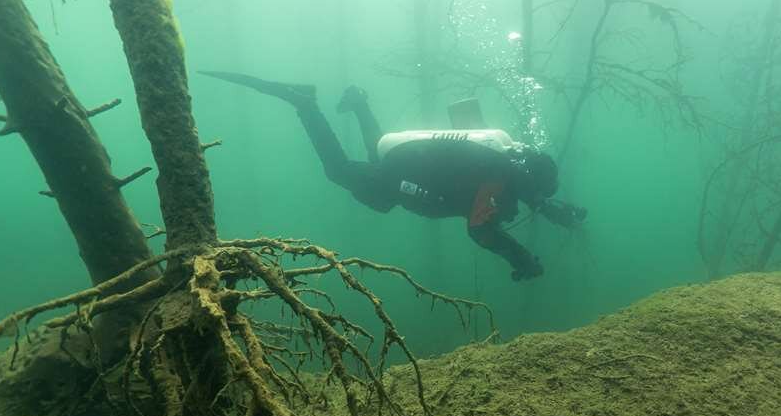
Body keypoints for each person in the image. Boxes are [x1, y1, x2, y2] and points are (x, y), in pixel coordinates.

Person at [201, 71, 587, 281]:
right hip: (406, 173)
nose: (530, 200)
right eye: (534, 194)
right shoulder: (498, 178)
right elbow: (479, 229)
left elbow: (533, 197)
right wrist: (521, 260)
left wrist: (559, 214)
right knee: (339, 171)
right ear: (527, 178)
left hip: (409, 158)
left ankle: (359, 103)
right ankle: (305, 104)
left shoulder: (508, 163)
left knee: (379, 154)